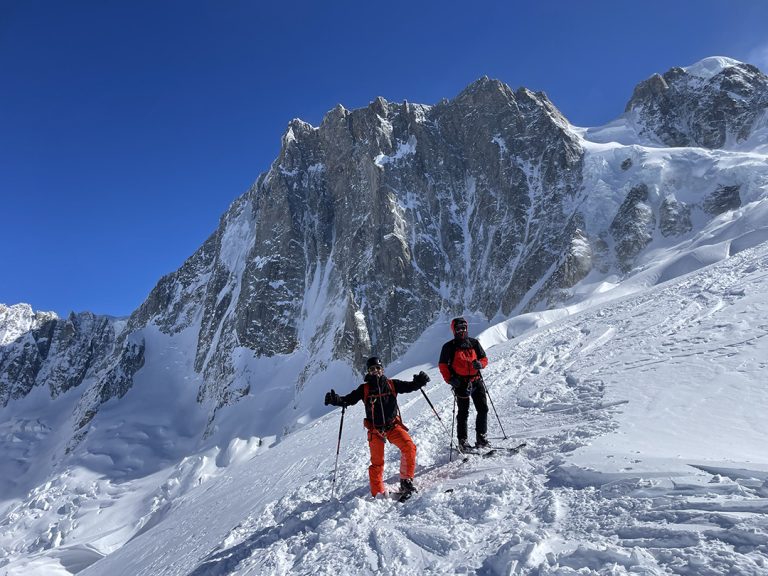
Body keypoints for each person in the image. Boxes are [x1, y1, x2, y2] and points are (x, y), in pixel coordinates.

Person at [324, 356, 430, 498]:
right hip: (375, 430)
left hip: (393, 427)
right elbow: (349, 399)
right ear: (368, 371)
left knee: (409, 447)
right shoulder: (364, 389)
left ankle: (406, 481)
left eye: (378, 368)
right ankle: (378, 493)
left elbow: (409, 386)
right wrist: (336, 400)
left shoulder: (392, 384)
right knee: (377, 463)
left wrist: (418, 382)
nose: (375, 371)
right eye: (372, 369)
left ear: (382, 369)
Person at [438, 317, 489, 451]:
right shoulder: (449, 347)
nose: (462, 331)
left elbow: (484, 358)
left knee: (483, 409)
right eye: (459, 328)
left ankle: (481, 437)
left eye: (464, 328)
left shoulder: (474, 343)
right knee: (463, 413)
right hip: (461, 384)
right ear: (454, 330)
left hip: (476, 381)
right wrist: (450, 380)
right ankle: (462, 441)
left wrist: (481, 364)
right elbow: (443, 365)